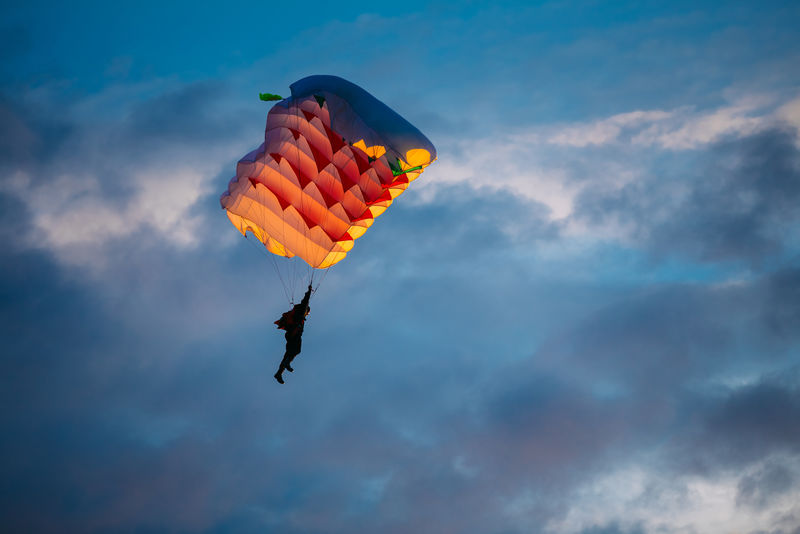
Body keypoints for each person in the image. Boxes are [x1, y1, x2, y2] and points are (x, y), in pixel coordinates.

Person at [274, 284, 312, 384]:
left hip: (291, 334)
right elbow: (306, 300)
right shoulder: (302, 310)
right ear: (306, 311)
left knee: (288, 354)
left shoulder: (297, 313)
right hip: (294, 334)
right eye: (307, 312)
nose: (307, 314)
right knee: (296, 351)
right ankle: (286, 364)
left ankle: (279, 373)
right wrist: (309, 291)